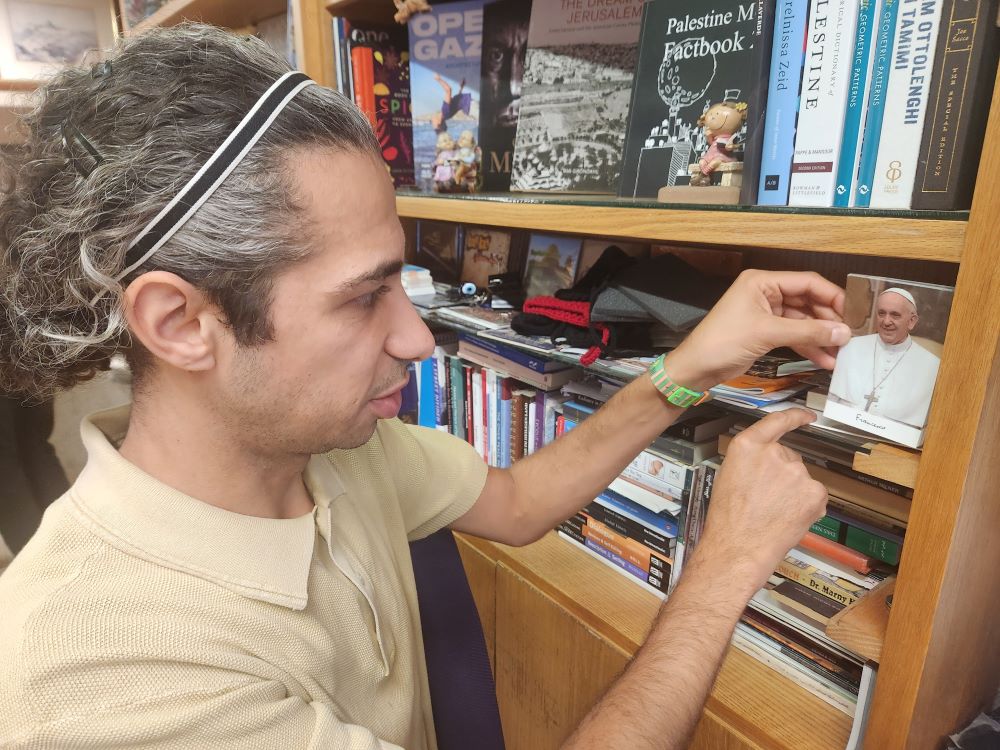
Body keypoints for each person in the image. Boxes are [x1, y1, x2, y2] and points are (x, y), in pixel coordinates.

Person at [0, 25, 852, 749]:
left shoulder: (314, 446)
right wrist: (727, 563)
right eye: (365, 295)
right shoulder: (96, 673)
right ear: (182, 324)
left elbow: (517, 500)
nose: (414, 337)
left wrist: (687, 368)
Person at [828, 287, 941, 427]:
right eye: (881, 313)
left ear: (911, 321)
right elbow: (831, 405)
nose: (886, 321)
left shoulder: (932, 365)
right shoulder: (850, 347)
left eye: (895, 315)